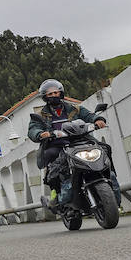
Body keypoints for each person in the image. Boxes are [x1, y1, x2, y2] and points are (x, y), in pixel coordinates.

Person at [28, 79, 106, 211]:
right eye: (50, 94)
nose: (54, 96)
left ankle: (109, 177)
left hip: (80, 141)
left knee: (104, 149)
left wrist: (97, 120)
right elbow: (33, 129)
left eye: (56, 92)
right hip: (57, 146)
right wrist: (41, 134)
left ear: (61, 93)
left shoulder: (75, 108)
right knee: (51, 159)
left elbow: (88, 115)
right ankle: (54, 194)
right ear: (45, 97)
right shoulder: (40, 115)